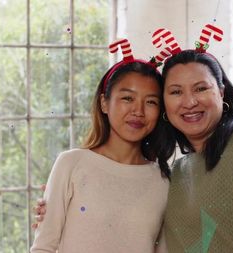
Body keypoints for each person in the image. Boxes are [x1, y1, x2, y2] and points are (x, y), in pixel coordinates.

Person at [35, 25, 233, 252]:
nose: (189, 102)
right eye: (175, 92)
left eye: (200, 88)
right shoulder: (178, 172)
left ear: (221, 93)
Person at [30, 38, 171, 253]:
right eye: (127, 98)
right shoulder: (71, 164)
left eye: (151, 102)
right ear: (104, 103)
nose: (138, 111)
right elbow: (43, 248)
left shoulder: (163, 181)